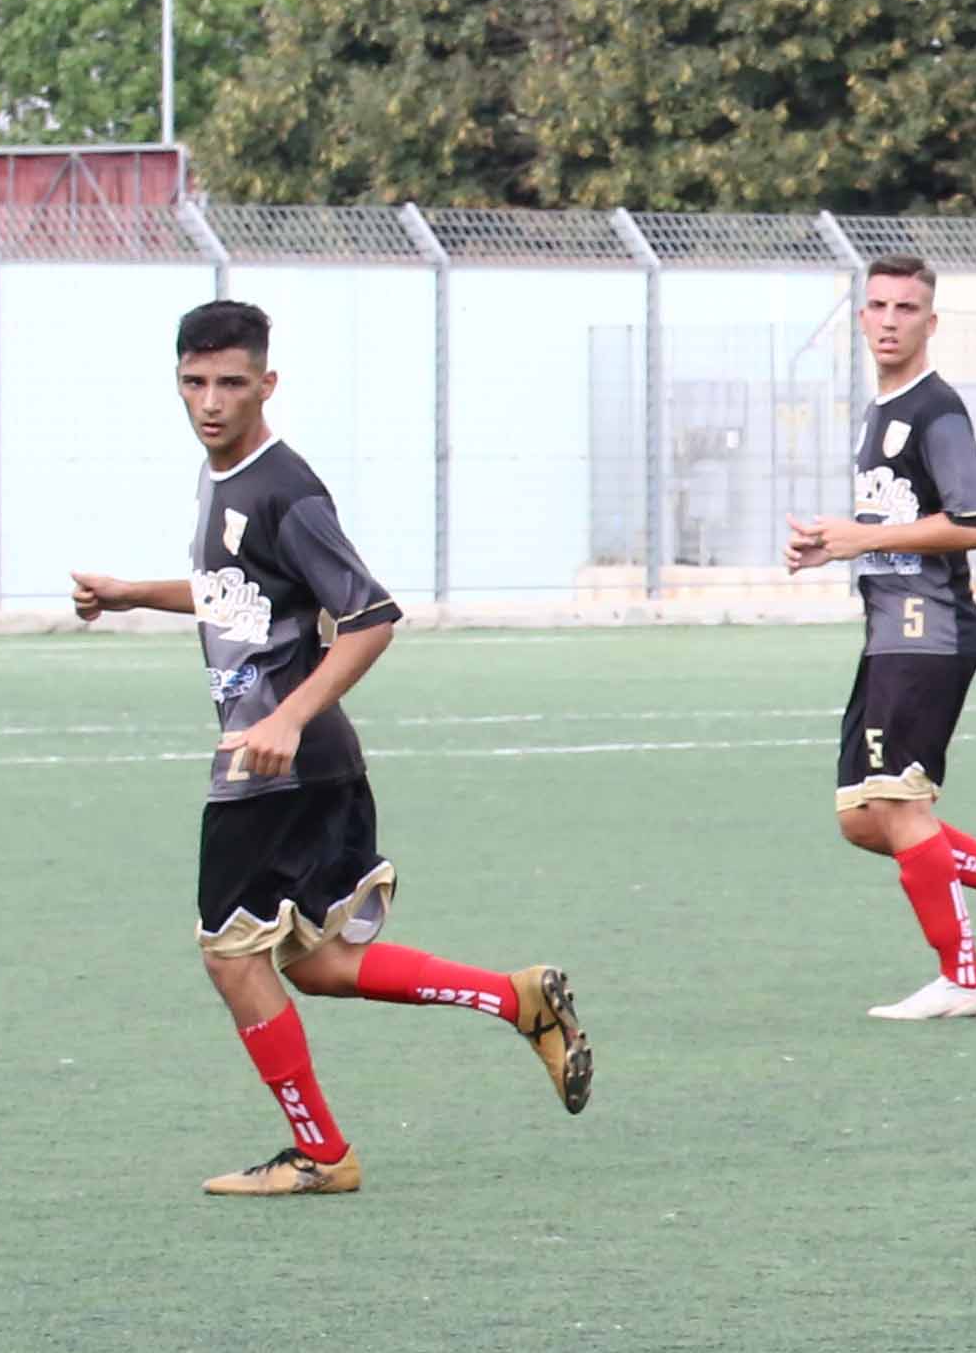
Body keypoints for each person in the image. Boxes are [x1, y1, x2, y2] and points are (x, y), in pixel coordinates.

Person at [72, 299, 590, 1195]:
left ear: (265, 385)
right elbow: (238, 593)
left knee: (231, 957)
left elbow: (372, 617)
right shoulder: (221, 480)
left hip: (276, 765)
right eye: (194, 383)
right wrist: (131, 593)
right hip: (312, 763)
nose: (211, 401)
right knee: (312, 962)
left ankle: (321, 1156)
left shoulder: (286, 488)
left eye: (231, 384)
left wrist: (285, 719)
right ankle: (517, 998)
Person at [786, 250, 976, 1018]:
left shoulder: (935, 409)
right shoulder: (879, 413)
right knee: (861, 818)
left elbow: (975, 525)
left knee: (902, 804)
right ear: (860, 317)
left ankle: (963, 980)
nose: (889, 320)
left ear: (930, 322)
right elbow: (894, 524)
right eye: (877, 306)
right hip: (888, 631)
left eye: (905, 309)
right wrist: (838, 545)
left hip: (928, 629)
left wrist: (859, 539)